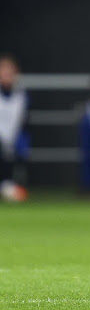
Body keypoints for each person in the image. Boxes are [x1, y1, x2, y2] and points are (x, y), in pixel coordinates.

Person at [0, 54, 30, 202]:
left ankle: (8, 187)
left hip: (11, 141)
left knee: (19, 147)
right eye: (3, 71)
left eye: (10, 72)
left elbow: (22, 124)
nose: (7, 75)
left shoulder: (22, 96)